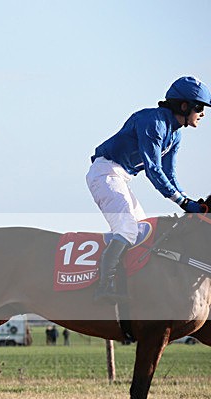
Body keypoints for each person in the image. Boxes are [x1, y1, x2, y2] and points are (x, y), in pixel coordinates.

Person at [87, 76, 210, 302]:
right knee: (127, 229)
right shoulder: (153, 122)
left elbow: (169, 174)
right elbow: (153, 170)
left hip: (121, 177)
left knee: (143, 231)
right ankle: (104, 286)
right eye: (200, 107)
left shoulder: (175, 134)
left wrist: (187, 200)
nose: (203, 114)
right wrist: (183, 202)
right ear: (184, 106)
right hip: (105, 173)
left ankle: (129, 285)